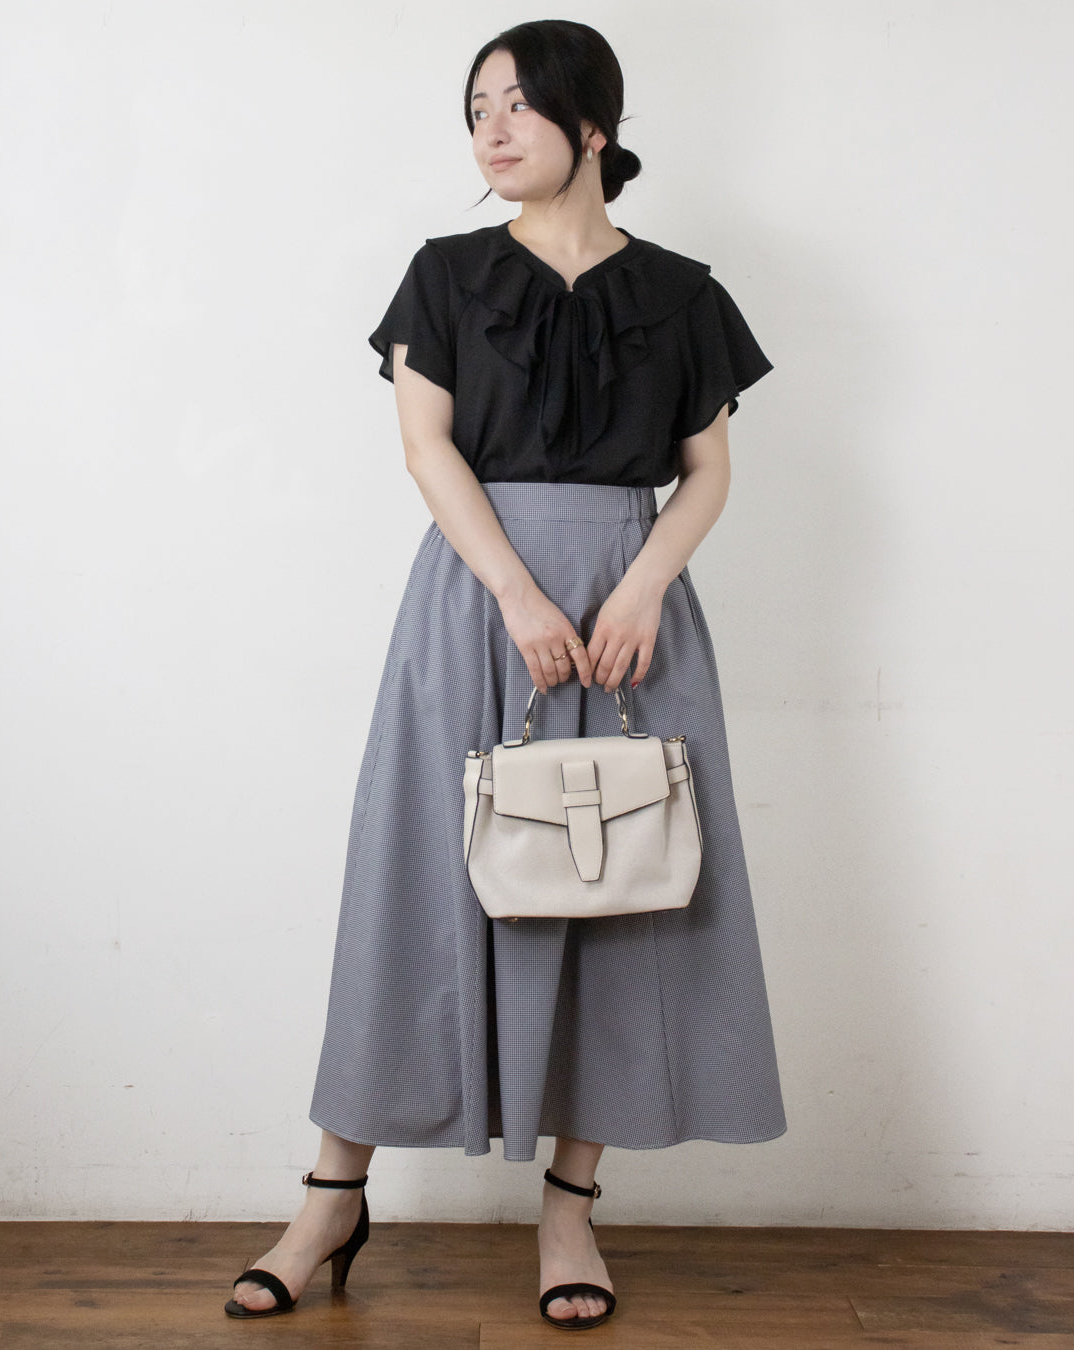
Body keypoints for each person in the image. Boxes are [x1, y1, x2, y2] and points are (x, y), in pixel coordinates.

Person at [224, 18, 786, 1331]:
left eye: (521, 103)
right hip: (479, 607)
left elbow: (708, 471)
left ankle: (570, 1208)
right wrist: (520, 595)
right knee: (417, 884)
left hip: (632, 619)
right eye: (477, 104)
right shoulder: (447, 273)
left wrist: (641, 583)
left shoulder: (683, 293)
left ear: (593, 126)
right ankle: (330, 1195)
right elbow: (426, 449)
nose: (492, 126)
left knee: (621, 889)